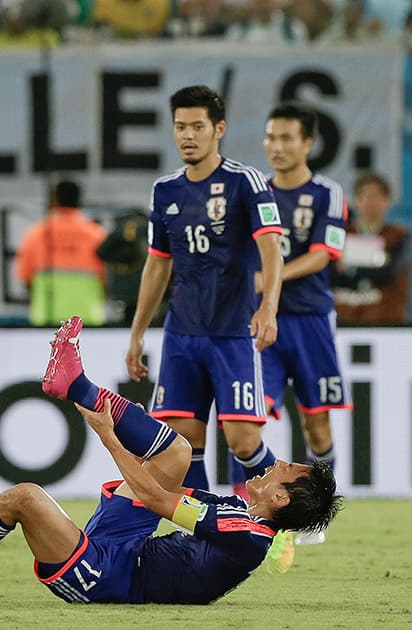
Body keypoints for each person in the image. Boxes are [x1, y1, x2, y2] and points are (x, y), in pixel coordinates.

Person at [0, 316, 342, 604]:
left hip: (106, 575)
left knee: (26, 497)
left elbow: (155, 498)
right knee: (174, 450)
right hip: (127, 547)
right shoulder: (251, 523)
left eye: (285, 468)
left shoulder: (244, 530)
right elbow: (170, 493)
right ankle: (76, 384)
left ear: (280, 495)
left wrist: (110, 437)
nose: (273, 463)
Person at [125, 86, 284, 516]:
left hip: (232, 332)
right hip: (182, 334)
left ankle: (291, 516)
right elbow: (157, 266)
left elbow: (272, 247)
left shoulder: (244, 181)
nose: (188, 135)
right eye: (180, 127)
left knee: (243, 440)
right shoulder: (165, 191)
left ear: (219, 129)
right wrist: (138, 334)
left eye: (197, 126)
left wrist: (268, 306)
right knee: (180, 446)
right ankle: (215, 529)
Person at [233, 101, 351, 546]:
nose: (276, 147)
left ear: (308, 143)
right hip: (262, 319)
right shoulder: (253, 190)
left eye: (286, 138)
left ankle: (317, 512)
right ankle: (245, 507)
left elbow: (323, 255)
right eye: (270, 137)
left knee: (315, 421)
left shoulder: (327, 193)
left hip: (310, 321)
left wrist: (269, 276)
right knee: (248, 419)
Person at [15, 180, 108, 326]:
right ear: (80, 199)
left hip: (46, 319)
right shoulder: (96, 235)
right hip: (87, 320)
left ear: (53, 200)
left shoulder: (36, 234)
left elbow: (25, 277)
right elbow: (107, 280)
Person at [331, 172, 411, 324]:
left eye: (377, 196)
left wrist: (349, 268)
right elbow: (331, 273)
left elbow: (389, 272)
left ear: (387, 201)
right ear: (355, 201)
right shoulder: (340, 235)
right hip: (344, 318)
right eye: (365, 195)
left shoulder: (398, 236)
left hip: (386, 319)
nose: (371, 202)